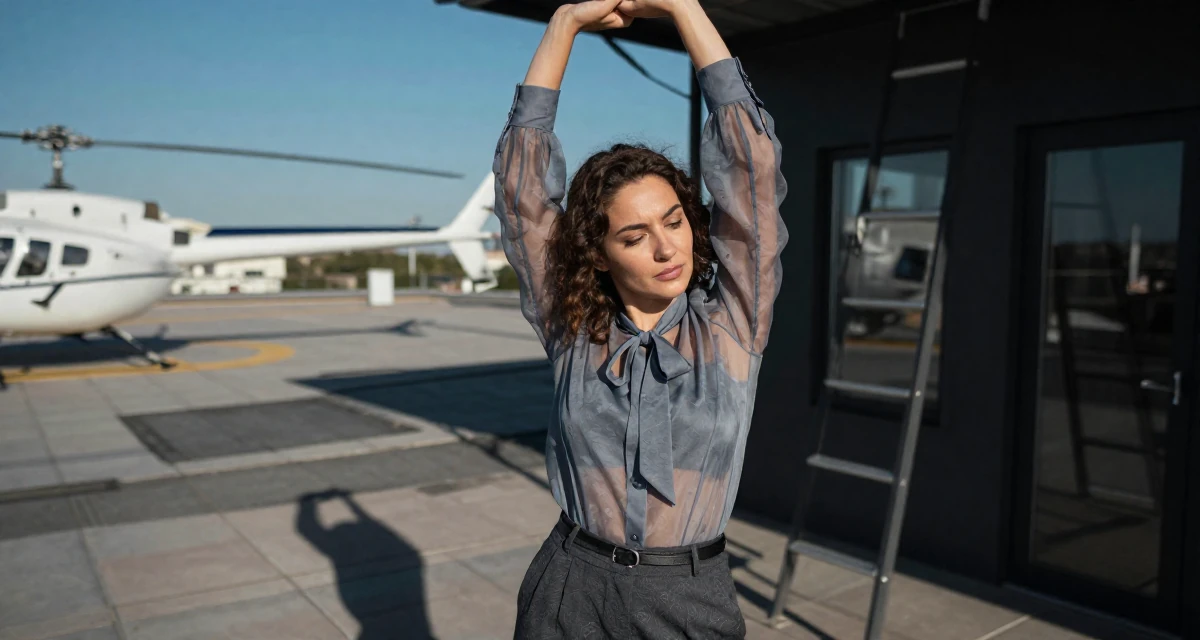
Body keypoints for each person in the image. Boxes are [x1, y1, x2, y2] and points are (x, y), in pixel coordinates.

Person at [493, 0, 787, 637]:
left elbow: (750, 171)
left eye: (675, 221)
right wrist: (564, 24)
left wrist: (683, 7)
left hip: (687, 596)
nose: (665, 248)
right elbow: (522, 195)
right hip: (569, 588)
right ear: (598, 252)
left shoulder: (734, 321)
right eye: (634, 236)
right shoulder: (572, 328)